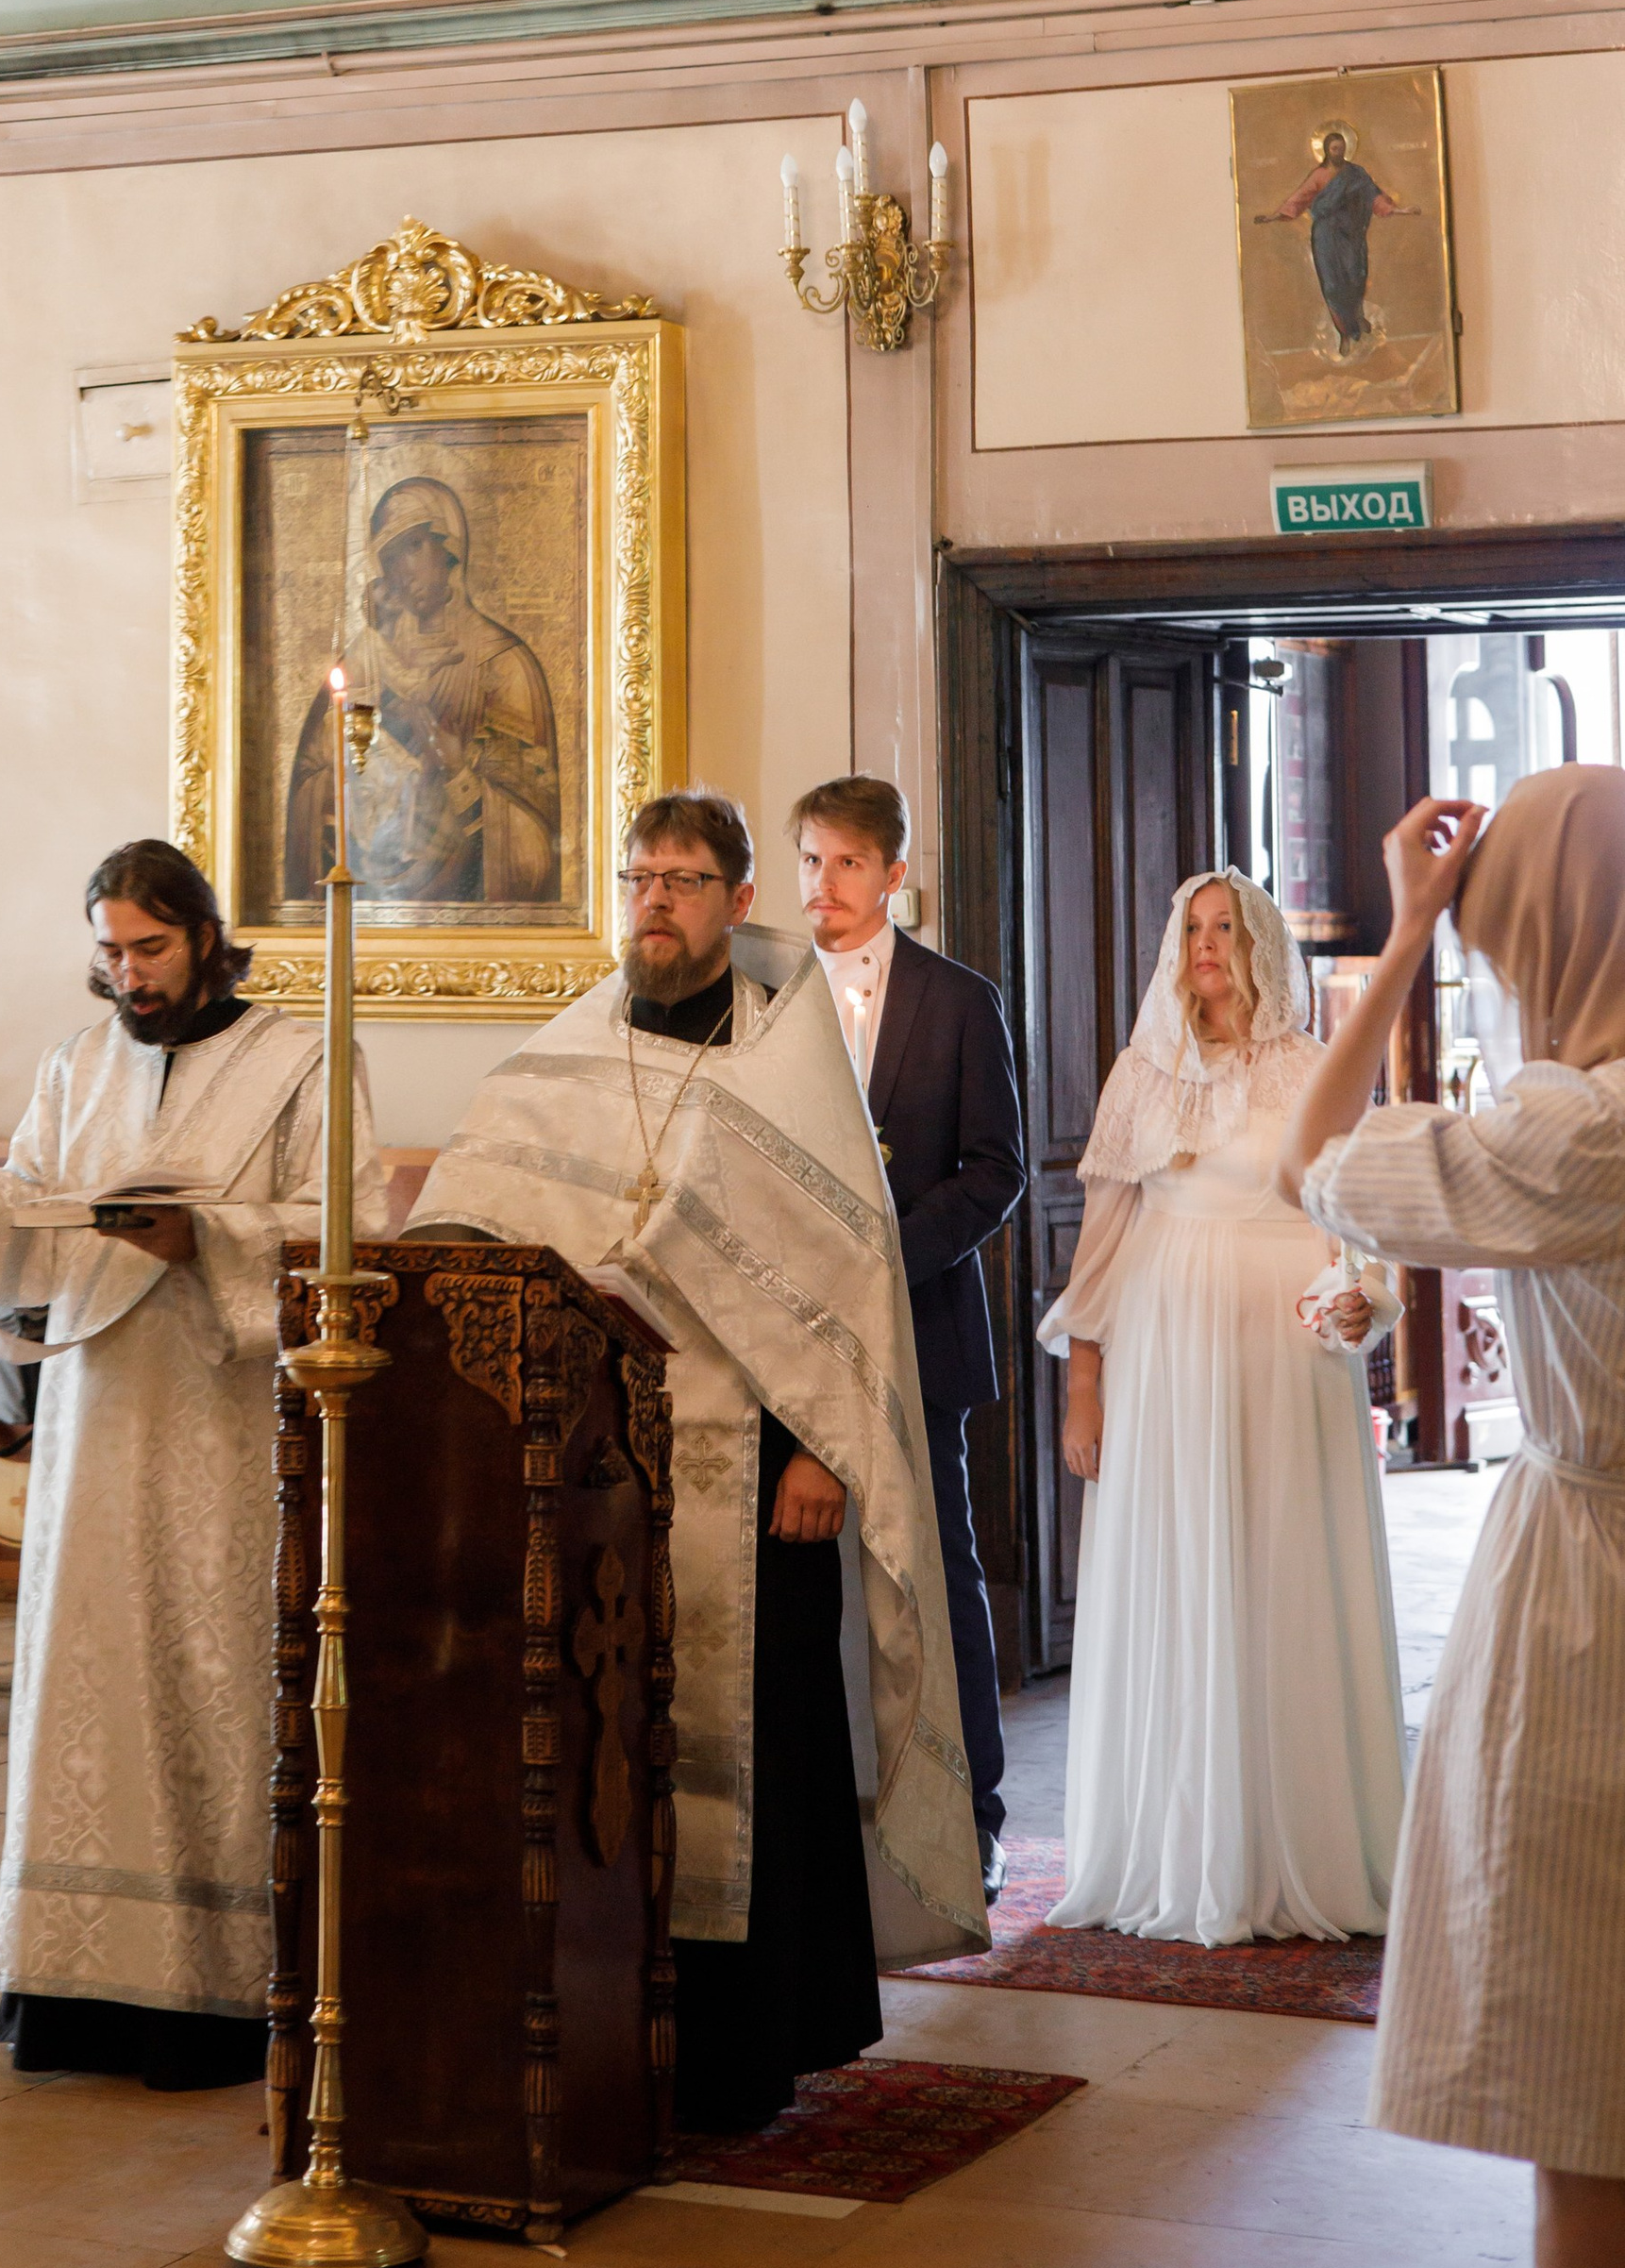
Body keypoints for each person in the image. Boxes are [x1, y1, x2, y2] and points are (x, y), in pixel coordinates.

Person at [410, 783, 987, 2136]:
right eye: (637, 878)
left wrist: (819, 1455)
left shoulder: (794, 1073)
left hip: (754, 1474)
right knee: (596, 1757)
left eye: (682, 878)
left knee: (756, 1756)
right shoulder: (554, 1063)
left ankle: (744, 2049)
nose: (655, 900)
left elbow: (840, 1291)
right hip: (585, 1486)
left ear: (739, 902)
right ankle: (596, 2023)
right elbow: (462, 1237)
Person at [0, 838, 381, 2089]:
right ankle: (74, 1985)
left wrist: (199, 1239)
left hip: (224, 1423)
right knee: (88, 1684)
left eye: (148, 949)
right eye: (108, 950)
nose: (128, 974)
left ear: (205, 937)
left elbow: (357, 1227)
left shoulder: (305, 1057)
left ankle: (216, 1998)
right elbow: (28, 1228)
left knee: (208, 1685)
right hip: (98, 1418)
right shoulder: (76, 1061)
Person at [1281, 777, 1625, 2268]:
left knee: (1587, 2072)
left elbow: (1310, 1152)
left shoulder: (1572, 1136)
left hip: (1593, 1596)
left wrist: (1407, 929)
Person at [1041, 866, 1405, 1945]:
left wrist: (1363, 1301)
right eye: (1189, 927)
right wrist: (1083, 1387)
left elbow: (1357, 1222)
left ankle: (1305, 1840)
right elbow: (1098, 1248)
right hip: (1162, 1358)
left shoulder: (1314, 1070)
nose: (1205, 943)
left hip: (1282, 1360)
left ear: (1259, 943)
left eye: (1224, 926)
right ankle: (1171, 1843)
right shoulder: (1139, 1076)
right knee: (1180, 1573)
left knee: (1277, 1571)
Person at [795, 775, 1025, 1900]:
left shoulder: (956, 999)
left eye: (843, 863)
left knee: (938, 1574)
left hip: (922, 1329)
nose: (821, 886)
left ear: (891, 874)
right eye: (807, 861)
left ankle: (967, 1815)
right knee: (804, 1586)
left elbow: (998, 1170)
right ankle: (828, 1816)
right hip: (792, 1335)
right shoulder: (768, 999)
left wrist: (888, 1247)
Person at [284, 476, 560, 905]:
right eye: (390, 556)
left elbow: (535, 843)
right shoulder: (359, 663)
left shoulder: (501, 662)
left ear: (449, 548)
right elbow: (310, 784)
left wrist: (458, 772)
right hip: (369, 894)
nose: (403, 569)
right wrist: (346, 777)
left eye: (414, 547)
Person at [1260, 125, 1416, 356]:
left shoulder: (1357, 174)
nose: (1338, 153)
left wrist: (1401, 211)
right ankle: (1344, 333)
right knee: (1333, 286)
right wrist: (1273, 217)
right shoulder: (1319, 176)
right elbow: (1299, 200)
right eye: (1334, 149)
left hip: (1351, 237)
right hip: (1326, 238)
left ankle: (1357, 318)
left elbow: (1375, 196)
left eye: (1341, 149)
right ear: (1326, 150)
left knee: (1355, 278)